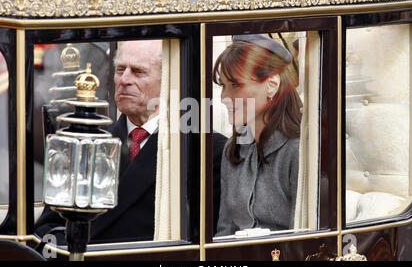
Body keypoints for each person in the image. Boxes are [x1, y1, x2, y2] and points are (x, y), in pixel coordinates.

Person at [35, 39, 226, 244]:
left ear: (169, 80)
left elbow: (205, 240)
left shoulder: (204, 149)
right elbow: (46, 229)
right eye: (120, 70)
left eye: (138, 71)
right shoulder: (84, 144)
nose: (124, 79)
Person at [213, 34, 302, 237]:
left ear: (271, 84)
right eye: (223, 86)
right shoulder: (232, 149)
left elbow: (304, 239)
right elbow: (225, 231)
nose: (224, 97)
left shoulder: (298, 150)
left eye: (236, 85)